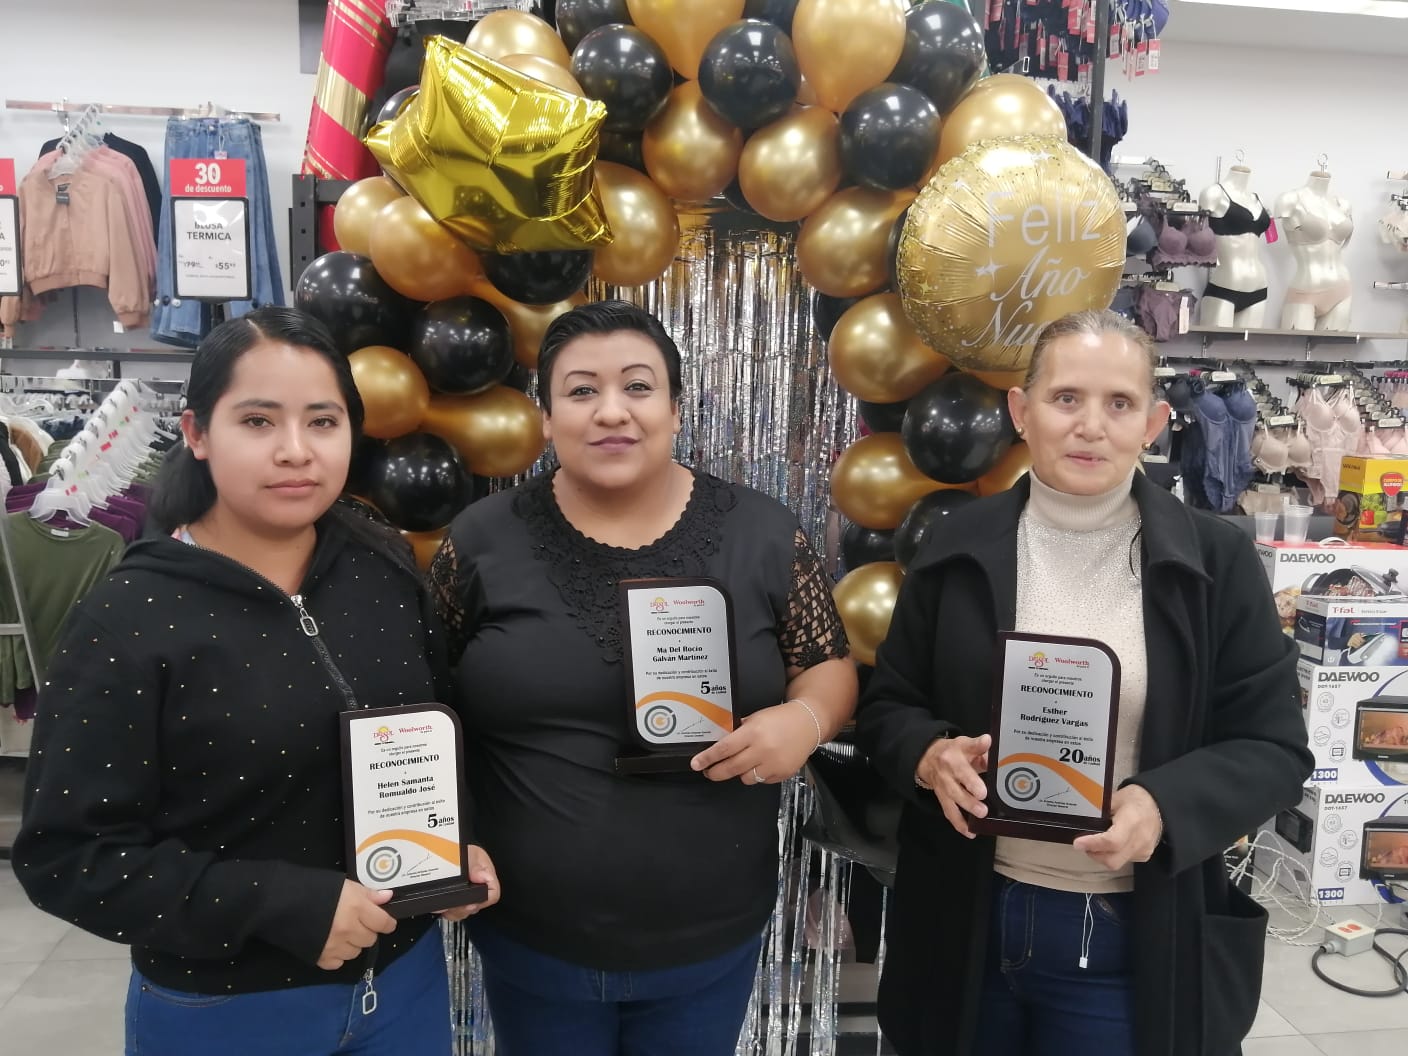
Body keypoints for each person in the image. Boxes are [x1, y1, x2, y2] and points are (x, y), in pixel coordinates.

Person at [13, 307, 500, 1056]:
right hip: (228, 1008)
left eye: (323, 422)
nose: (295, 451)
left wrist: (458, 841)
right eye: (258, 421)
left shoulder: (383, 571)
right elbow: (67, 857)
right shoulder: (128, 618)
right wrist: (280, 905)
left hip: (406, 987)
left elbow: (436, 727)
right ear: (197, 433)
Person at [854, 309, 1312, 1056]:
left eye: (1119, 403)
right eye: (1066, 397)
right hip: (967, 918)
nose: (1090, 426)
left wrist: (1164, 804)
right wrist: (929, 754)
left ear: (1154, 423)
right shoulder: (956, 546)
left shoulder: (1215, 562)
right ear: (1021, 411)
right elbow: (889, 706)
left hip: (1132, 932)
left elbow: (1274, 748)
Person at [428, 299, 857, 1056]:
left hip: (710, 933)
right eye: (581, 390)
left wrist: (807, 720)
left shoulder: (763, 533)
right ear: (546, 416)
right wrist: (444, 840)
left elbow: (827, 664)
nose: (611, 411)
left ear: (676, 408)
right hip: (532, 935)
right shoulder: (481, 541)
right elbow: (424, 699)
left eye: (637, 386)